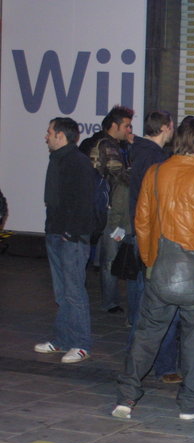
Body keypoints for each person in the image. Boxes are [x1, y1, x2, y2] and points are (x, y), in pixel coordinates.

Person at [113, 116, 194, 420]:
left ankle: (127, 396)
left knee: (146, 335)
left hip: (161, 268)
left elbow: (142, 221)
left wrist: (152, 261)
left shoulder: (155, 172)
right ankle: (190, 403)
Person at [34, 117, 96, 364]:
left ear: (61, 135)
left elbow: (83, 203)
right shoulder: (58, 159)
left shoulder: (78, 162)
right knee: (62, 292)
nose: (45, 136)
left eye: (49, 132)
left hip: (71, 237)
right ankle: (61, 339)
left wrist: (70, 232)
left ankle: (81, 344)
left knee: (74, 291)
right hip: (56, 233)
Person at [127, 111, 181, 383]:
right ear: (164, 128)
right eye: (171, 126)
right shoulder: (157, 160)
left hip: (143, 236)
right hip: (155, 238)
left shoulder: (137, 153)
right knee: (158, 306)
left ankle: (137, 364)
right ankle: (161, 365)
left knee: (144, 304)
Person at [89, 105, 134, 316]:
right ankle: (110, 301)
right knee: (110, 258)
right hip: (111, 210)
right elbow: (121, 176)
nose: (129, 130)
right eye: (126, 125)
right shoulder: (108, 146)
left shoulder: (108, 144)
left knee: (108, 256)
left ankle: (110, 299)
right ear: (114, 125)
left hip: (109, 208)